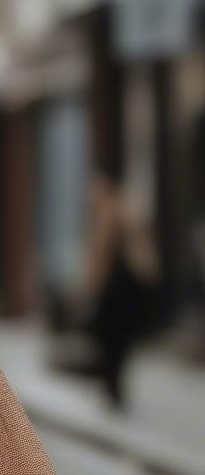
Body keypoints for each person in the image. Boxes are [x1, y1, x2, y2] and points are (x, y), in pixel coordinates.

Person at [80, 173, 162, 413]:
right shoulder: (130, 208)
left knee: (110, 340)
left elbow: (101, 254)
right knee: (120, 340)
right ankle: (115, 389)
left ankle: (113, 390)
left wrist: (90, 287)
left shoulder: (109, 212)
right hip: (131, 285)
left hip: (116, 288)